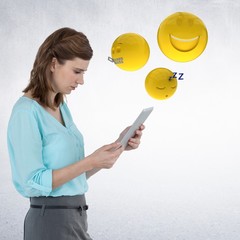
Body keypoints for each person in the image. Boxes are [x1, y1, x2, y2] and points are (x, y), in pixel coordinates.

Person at [7, 27, 145, 240]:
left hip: (76, 219)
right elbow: (32, 180)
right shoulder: (26, 112)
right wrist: (90, 161)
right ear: (53, 64)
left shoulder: (61, 107)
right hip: (50, 223)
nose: (81, 81)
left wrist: (119, 145)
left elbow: (71, 177)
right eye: (77, 71)